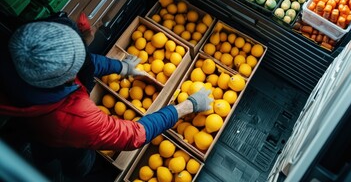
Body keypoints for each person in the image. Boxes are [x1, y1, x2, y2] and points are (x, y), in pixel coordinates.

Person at [0, 17, 213, 181]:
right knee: (76, 163)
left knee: (41, 147)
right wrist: (187, 106)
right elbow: (132, 135)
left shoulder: (21, 51)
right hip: (60, 138)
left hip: (29, 119)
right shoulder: (74, 117)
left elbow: (85, 62)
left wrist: (122, 67)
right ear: (65, 77)